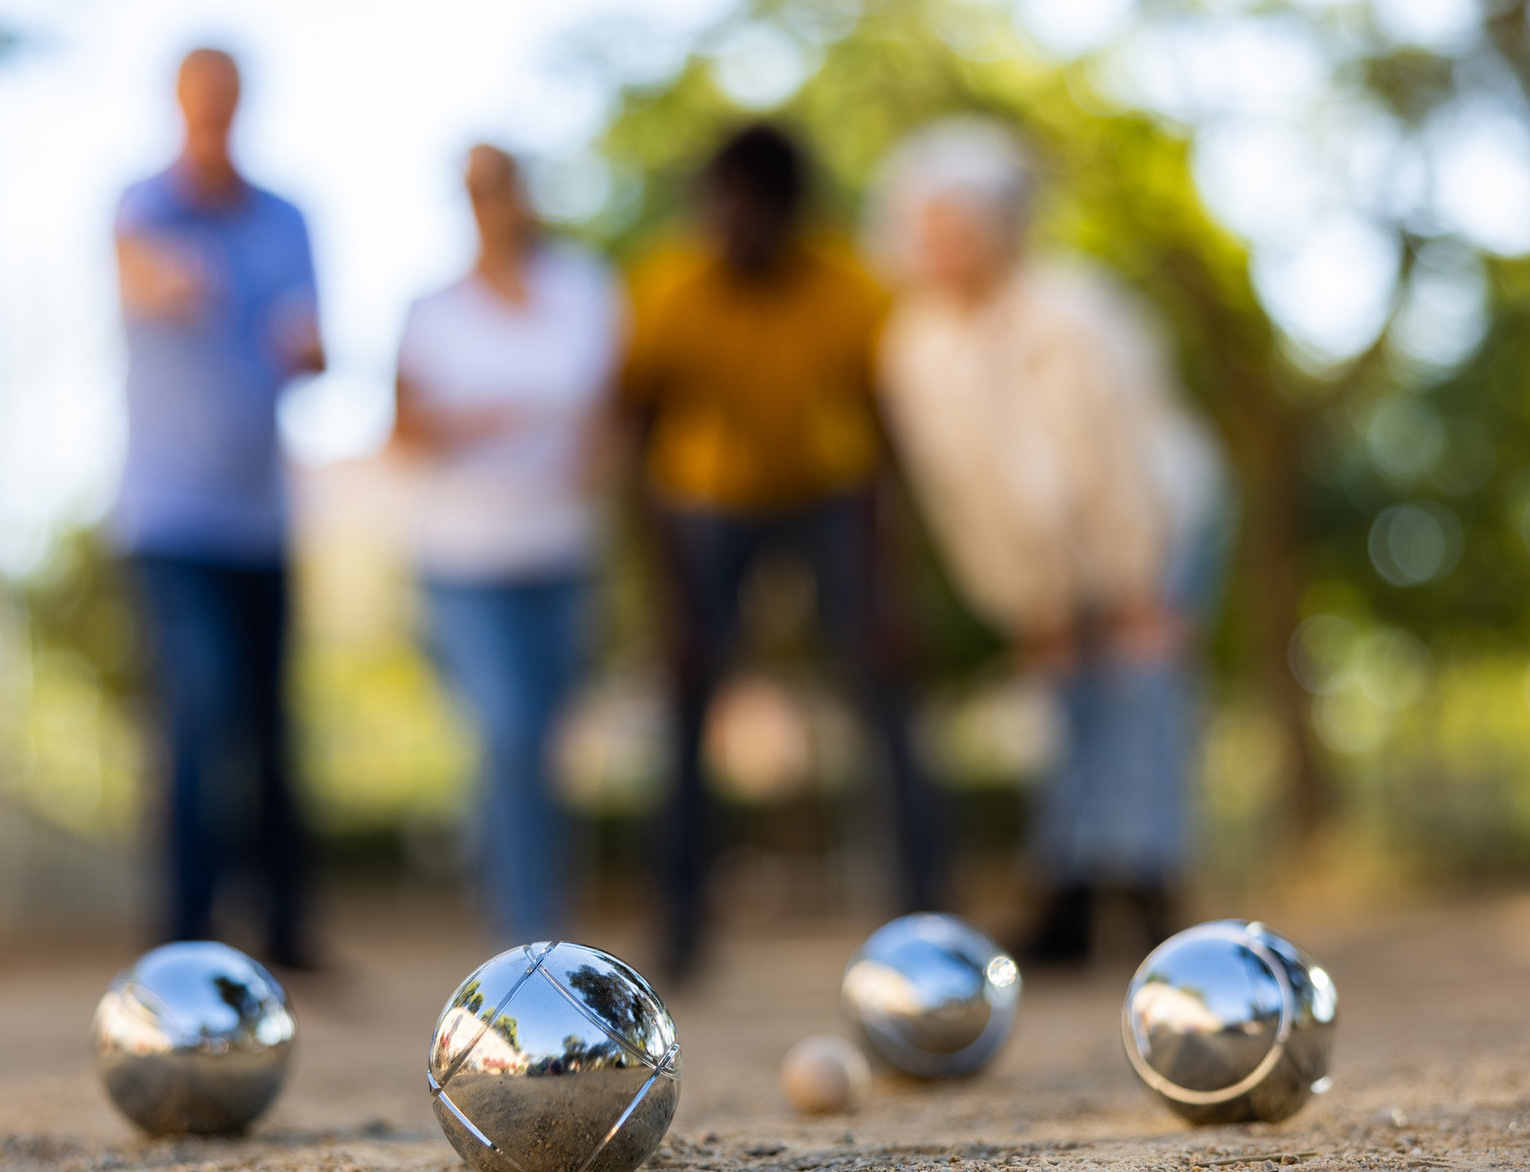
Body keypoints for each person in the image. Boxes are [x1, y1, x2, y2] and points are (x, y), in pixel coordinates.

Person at [871, 118, 1233, 964]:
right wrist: (1029, 603)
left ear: (1002, 226)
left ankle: (1152, 895)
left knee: (1140, 693)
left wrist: (1141, 587)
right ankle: (1068, 897)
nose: (938, 247)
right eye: (925, 227)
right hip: (1046, 555)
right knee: (1063, 699)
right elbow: (960, 498)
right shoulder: (912, 346)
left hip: (1160, 517)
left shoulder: (1074, 312)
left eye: (957, 227)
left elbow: (1112, 462)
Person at [624, 122, 948, 983]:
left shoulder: (849, 289)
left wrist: (886, 596)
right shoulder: (669, 290)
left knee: (888, 696)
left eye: (758, 210)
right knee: (688, 704)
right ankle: (681, 926)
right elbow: (636, 450)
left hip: (827, 502)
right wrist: (670, 604)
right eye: (723, 206)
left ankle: (927, 921)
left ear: (792, 214)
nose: (737, 226)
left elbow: (886, 449)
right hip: (706, 509)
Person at [113, 48, 326, 968]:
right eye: (198, 103)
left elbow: (316, 345)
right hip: (168, 515)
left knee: (273, 724)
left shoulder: (287, 219)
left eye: (225, 102)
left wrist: (306, 345)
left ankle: (287, 934)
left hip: (262, 514)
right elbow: (148, 278)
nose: (212, 117)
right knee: (201, 706)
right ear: (178, 104)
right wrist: (185, 280)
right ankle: (185, 940)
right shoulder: (143, 207)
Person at [388, 145, 624, 942]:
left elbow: (612, 411)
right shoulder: (433, 310)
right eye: (476, 192)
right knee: (508, 730)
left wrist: (594, 456)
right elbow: (401, 429)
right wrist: (471, 420)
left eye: (501, 189)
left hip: (560, 551)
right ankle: (526, 933)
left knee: (546, 746)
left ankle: (534, 914)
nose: (491, 205)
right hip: (465, 558)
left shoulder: (585, 288)